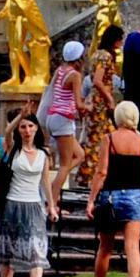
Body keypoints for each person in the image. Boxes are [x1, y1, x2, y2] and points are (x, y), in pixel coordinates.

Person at [89, 100, 140, 277]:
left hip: (111, 195)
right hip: (134, 194)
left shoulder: (110, 139)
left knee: (105, 247)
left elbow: (102, 171)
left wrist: (91, 199)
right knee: (132, 246)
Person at [0, 114, 51, 277]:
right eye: (23, 127)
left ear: (36, 128)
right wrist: (20, 116)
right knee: (9, 250)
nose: (27, 130)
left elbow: (45, 181)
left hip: (34, 204)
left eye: (30, 126)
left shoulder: (43, 154)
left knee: (37, 247)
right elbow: (6, 132)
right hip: (13, 203)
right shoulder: (13, 149)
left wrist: (51, 205)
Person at [37, 45, 85, 213]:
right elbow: (79, 104)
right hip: (63, 119)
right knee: (64, 165)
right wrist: (91, 106)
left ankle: (54, 185)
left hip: (53, 117)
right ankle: (52, 203)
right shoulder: (75, 75)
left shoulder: (59, 70)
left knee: (80, 155)